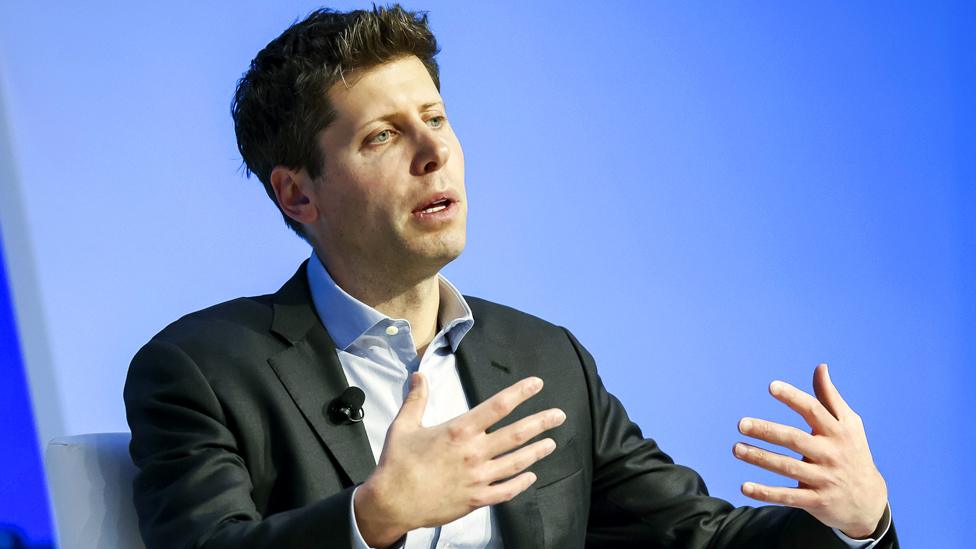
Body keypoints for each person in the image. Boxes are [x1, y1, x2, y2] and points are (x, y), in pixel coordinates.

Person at [123, 5, 898, 548]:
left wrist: (855, 522)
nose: (435, 153)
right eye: (383, 136)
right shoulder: (201, 369)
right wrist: (372, 516)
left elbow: (697, 538)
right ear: (297, 192)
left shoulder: (543, 359)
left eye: (436, 118)